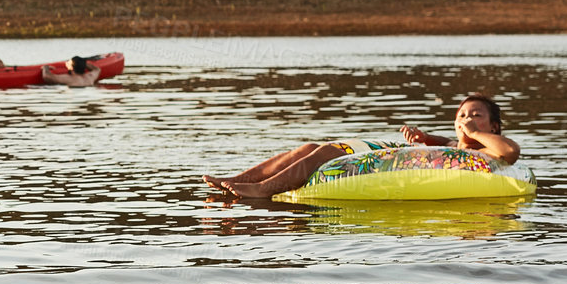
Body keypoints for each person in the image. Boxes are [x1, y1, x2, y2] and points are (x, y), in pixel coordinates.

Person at [204, 95, 521, 199]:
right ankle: (244, 179)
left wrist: (471, 133)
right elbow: (446, 143)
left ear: (493, 126)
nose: (466, 119)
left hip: (390, 167)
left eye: (476, 115)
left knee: (328, 154)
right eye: (461, 115)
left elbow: (509, 152)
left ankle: (263, 190)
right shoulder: (452, 143)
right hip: (395, 156)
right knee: (312, 146)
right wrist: (426, 138)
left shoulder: (487, 152)